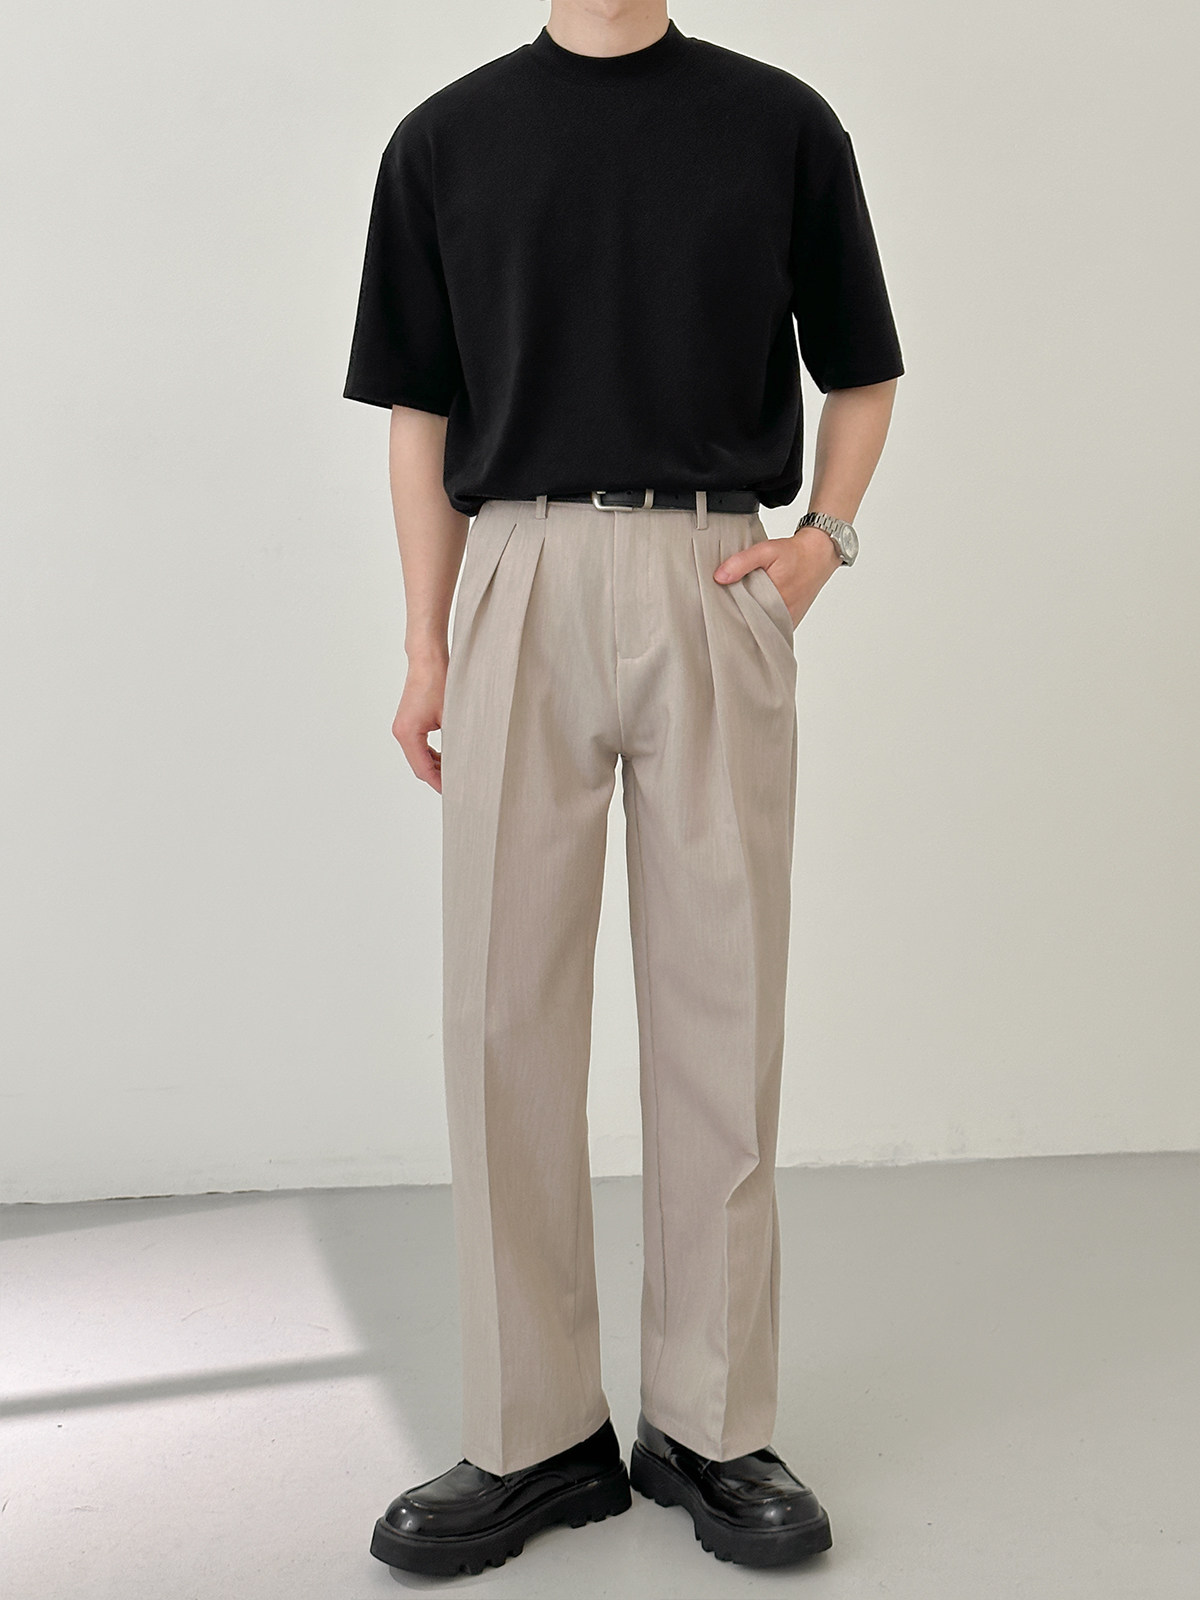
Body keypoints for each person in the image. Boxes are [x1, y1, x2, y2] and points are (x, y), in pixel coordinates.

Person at [342, 0, 902, 1577]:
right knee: (502, 1011)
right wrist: (426, 644)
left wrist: (823, 543)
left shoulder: (780, 124)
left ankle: (712, 1423)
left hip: (715, 567)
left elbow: (863, 371)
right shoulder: (446, 140)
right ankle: (531, 1434)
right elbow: (420, 413)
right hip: (514, 570)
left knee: (723, 1000)